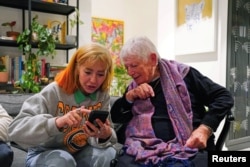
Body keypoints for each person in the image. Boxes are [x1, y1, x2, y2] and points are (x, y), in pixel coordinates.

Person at [110, 36, 234, 167]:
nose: (130, 72)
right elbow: (116, 117)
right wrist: (129, 97)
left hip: (188, 147)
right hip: (143, 150)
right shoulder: (134, 87)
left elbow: (223, 96)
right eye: (127, 67)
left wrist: (205, 129)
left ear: (152, 59)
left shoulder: (183, 75)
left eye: (134, 65)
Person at [8, 43, 117, 167]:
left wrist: (105, 135)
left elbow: (109, 138)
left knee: (107, 154)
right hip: (44, 154)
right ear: (76, 69)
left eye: (100, 74)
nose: (93, 80)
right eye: (88, 72)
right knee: (63, 160)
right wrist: (57, 123)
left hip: (81, 152)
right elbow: (14, 130)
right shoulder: (53, 91)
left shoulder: (102, 96)